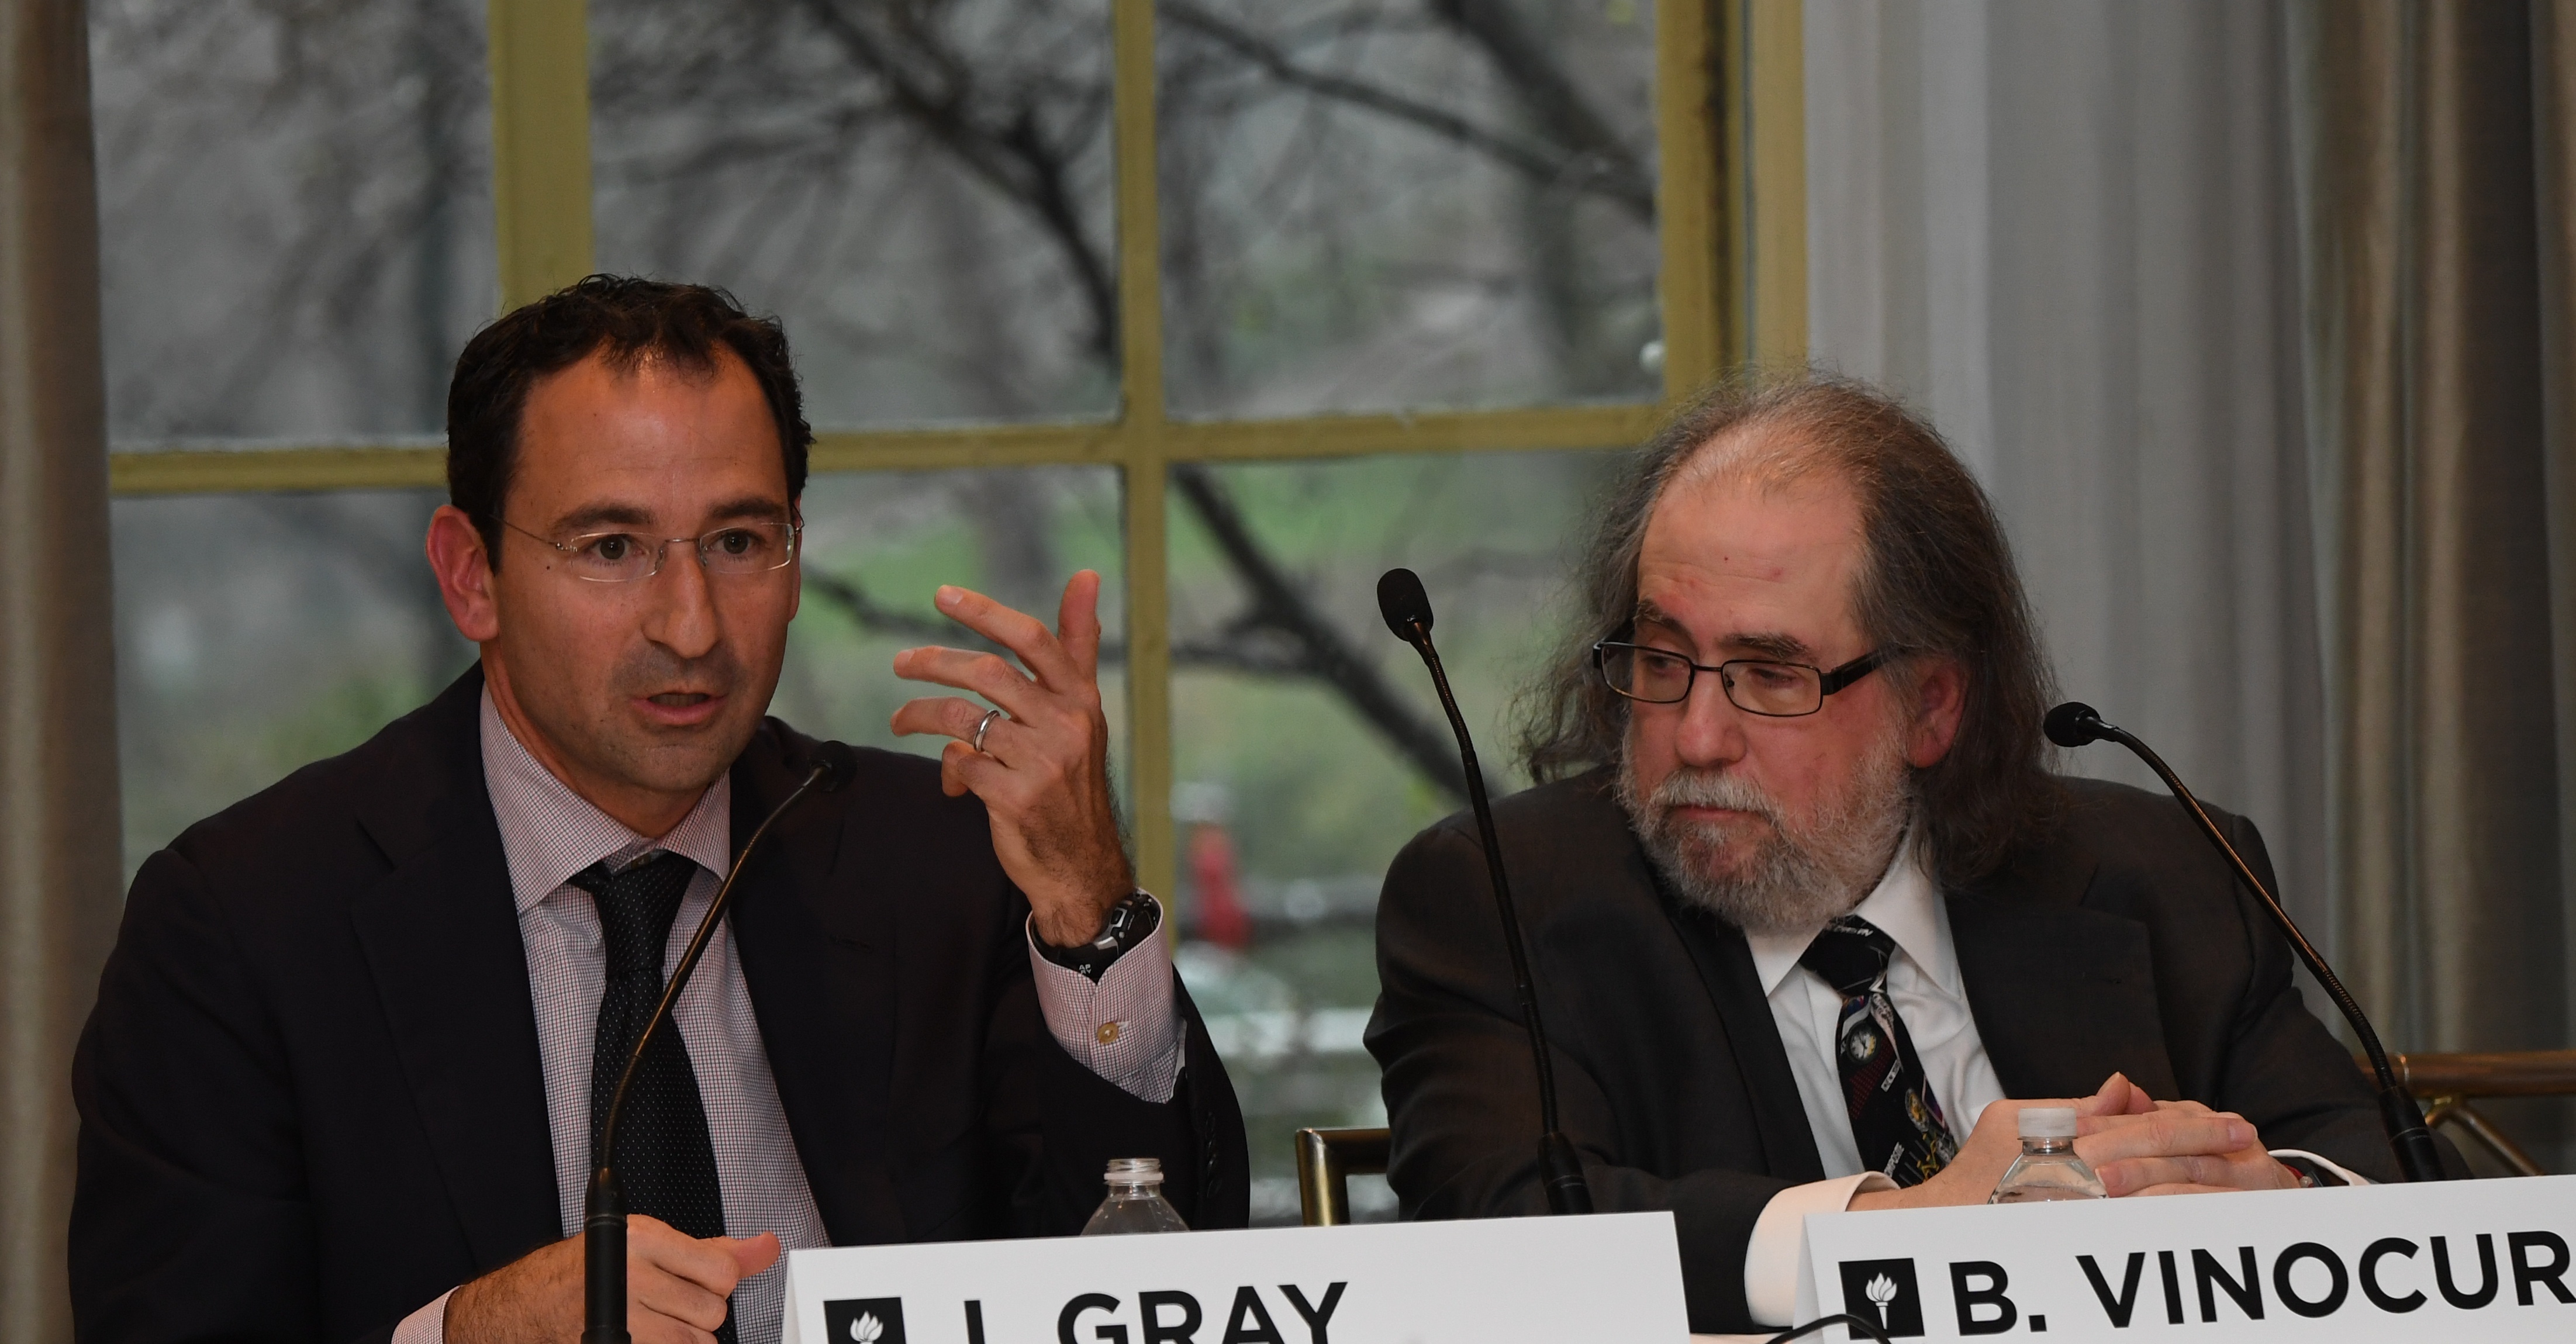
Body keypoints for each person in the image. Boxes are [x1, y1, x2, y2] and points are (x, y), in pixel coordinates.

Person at [71, 277, 1248, 1344]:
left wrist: (1087, 905)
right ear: (470, 576)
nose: (689, 623)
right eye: (612, 545)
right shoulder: (246, 925)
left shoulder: (937, 854)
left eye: (739, 541)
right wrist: (465, 1336)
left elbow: (1166, 1285)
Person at [1365, 377, 2449, 1335]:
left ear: (1930, 705)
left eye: (1770, 675)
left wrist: (2269, 1200)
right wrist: (1912, 1226)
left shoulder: (2159, 870)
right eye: (1661, 659)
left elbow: (2383, 1167)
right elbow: (1495, 1238)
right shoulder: (1499, 900)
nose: (1696, 735)